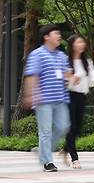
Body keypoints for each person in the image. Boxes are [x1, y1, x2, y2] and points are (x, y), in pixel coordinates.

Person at [23, 24, 73, 172]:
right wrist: (31, 94)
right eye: (56, 33)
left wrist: (72, 77)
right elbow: (32, 76)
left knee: (64, 127)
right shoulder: (37, 54)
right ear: (46, 37)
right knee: (45, 131)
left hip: (60, 98)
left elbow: (66, 75)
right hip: (43, 100)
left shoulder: (61, 56)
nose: (59, 36)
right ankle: (48, 162)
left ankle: (42, 152)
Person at [61, 35, 94, 169]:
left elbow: (93, 76)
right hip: (68, 96)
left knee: (78, 127)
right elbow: (62, 79)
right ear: (71, 45)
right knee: (71, 127)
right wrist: (71, 80)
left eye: (82, 42)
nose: (81, 44)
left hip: (81, 96)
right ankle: (74, 158)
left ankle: (66, 149)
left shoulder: (86, 62)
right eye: (78, 42)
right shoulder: (65, 61)